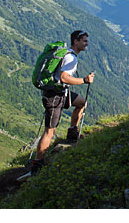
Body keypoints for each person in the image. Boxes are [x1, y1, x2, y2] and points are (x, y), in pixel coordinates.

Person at [30, 30, 95, 175]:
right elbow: (64, 78)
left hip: (60, 93)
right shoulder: (70, 57)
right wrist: (84, 80)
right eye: (84, 41)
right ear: (76, 41)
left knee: (81, 103)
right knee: (49, 131)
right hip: (55, 96)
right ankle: (37, 164)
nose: (86, 43)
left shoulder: (66, 54)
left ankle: (72, 131)